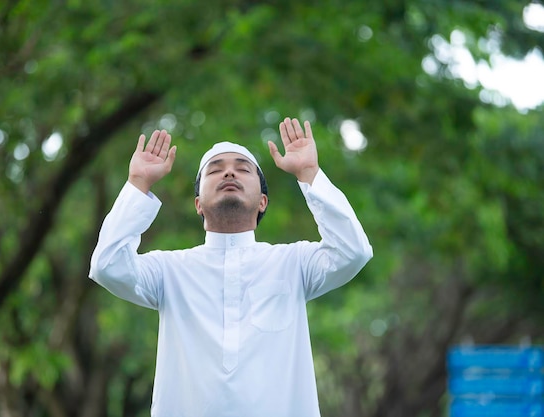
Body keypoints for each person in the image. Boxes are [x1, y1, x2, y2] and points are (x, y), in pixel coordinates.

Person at [89, 117, 373, 417]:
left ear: (262, 201)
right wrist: (138, 184)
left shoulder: (294, 264)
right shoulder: (169, 271)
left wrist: (309, 174)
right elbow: (108, 266)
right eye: (215, 169)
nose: (228, 172)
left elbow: (353, 251)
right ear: (198, 204)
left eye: (243, 168)